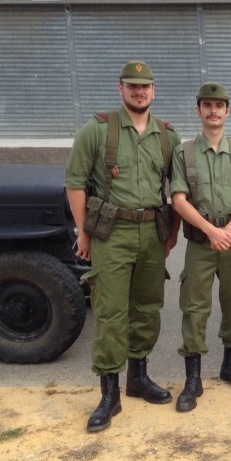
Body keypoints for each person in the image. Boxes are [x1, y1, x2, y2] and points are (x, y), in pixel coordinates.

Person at [65, 60, 182, 432]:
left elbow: (176, 190)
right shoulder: (97, 130)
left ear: (154, 90)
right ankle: (108, 394)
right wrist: (83, 232)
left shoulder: (167, 135)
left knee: (147, 308)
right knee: (111, 313)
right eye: (132, 86)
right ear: (120, 89)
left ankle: (138, 378)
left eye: (144, 86)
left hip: (151, 232)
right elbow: (76, 183)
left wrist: (171, 233)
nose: (139, 91)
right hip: (110, 234)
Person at [169, 82, 231, 412]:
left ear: (227, 111)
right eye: (207, 105)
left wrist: (229, 230)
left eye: (219, 105)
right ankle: (193, 380)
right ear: (198, 111)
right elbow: (178, 199)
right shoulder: (184, 153)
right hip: (200, 243)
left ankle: (230, 366)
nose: (213, 110)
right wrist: (211, 231)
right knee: (194, 308)